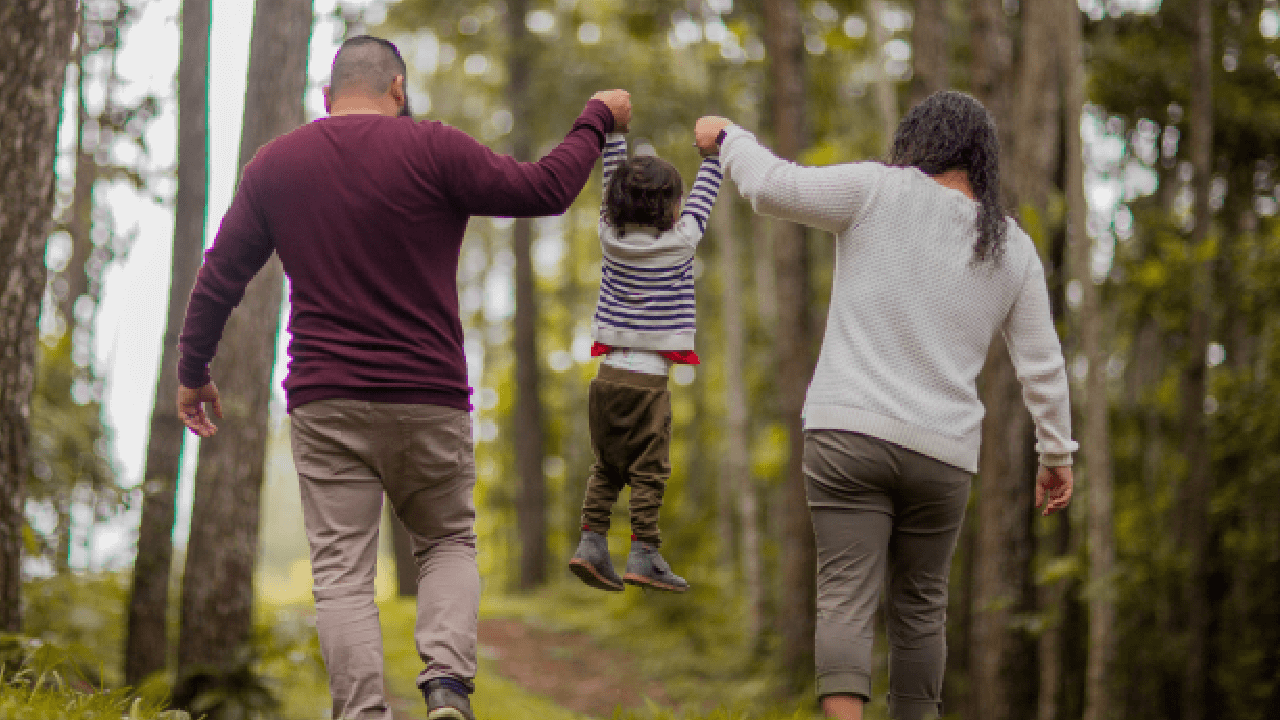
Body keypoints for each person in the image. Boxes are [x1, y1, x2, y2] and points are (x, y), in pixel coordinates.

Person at [175, 35, 631, 720]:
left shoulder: (277, 164)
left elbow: (221, 276)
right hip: (428, 397)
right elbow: (545, 189)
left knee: (341, 578)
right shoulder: (433, 147)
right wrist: (595, 116)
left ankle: (361, 713)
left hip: (326, 402)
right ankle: (447, 687)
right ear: (398, 88)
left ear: (327, 98)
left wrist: (193, 370)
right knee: (447, 541)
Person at [693, 90, 1077, 720]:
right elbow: (1043, 363)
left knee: (844, 596)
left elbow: (771, 188)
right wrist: (1056, 453)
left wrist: (728, 135)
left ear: (919, 142)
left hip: (849, 433)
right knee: (922, 609)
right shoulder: (1011, 248)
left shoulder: (876, 190)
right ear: (983, 160)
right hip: (944, 454)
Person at [567, 126, 724, 594]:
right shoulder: (681, 241)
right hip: (648, 384)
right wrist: (712, 155)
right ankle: (644, 551)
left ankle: (591, 543)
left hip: (607, 378)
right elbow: (705, 196)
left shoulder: (607, 238)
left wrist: (614, 135)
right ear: (671, 209)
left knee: (607, 467)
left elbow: (607, 183)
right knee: (648, 471)